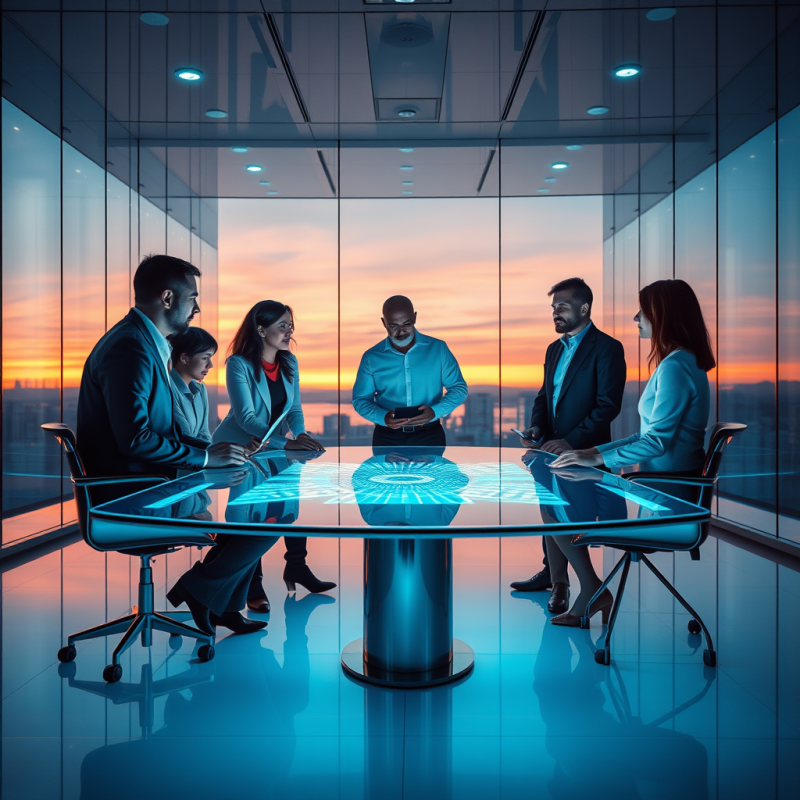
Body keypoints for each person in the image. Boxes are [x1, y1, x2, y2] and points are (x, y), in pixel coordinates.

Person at [78, 254, 271, 636]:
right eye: (192, 298)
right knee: (262, 522)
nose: (197, 307)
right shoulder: (129, 347)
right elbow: (135, 438)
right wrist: (203, 457)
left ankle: (220, 605)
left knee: (254, 511)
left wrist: (215, 453)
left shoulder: (147, 345)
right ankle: (200, 591)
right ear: (167, 298)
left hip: (151, 482)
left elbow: (153, 428)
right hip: (133, 495)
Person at [548, 278, 715, 626]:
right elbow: (646, 435)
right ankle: (590, 590)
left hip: (665, 500)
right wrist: (593, 451)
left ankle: (592, 591)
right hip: (667, 489)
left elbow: (656, 443)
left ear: (662, 315)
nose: (636, 318)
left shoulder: (675, 368)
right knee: (562, 493)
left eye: (643, 311)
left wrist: (594, 458)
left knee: (555, 506)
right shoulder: (684, 363)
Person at [509, 277, 626, 614]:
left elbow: (607, 406)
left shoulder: (607, 348)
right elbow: (544, 397)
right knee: (551, 512)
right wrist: (535, 428)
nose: (555, 313)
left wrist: (570, 442)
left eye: (561, 306)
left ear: (584, 307)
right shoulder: (554, 349)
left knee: (566, 519)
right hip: (549, 450)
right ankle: (556, 580)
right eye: (553, 308)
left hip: (582, 454)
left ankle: (578, 585)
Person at [213, 300, 335, 611]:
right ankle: (253, 585)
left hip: (276, 447)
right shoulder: (238, 364)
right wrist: (287, 444)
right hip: (242, 449)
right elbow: (246, 419)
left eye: (290, 324)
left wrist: (302, 435)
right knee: (249, 516)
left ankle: (296, 566)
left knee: (286, 507)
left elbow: (294, 408)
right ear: (260, 328)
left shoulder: (289, 362)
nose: (289, 330)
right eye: (282, 325)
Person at [352, 295, 468, 447]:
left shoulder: (438, 349)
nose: (401, 332)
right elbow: (360, 400)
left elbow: (459, 389)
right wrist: (383, 418)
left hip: (430, 435)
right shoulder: (371, 357)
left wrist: (435, 411)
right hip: (386, 437)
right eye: (394, 326)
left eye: (407, 324)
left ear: (415, 317)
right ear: (383, 323)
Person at [167, 326, 217, 445]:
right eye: (205, 358)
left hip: (198, 457)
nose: (210, 365)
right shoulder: (168, 389)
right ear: (184, 358)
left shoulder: (200, 389)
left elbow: (204, 432)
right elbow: (184, 437)